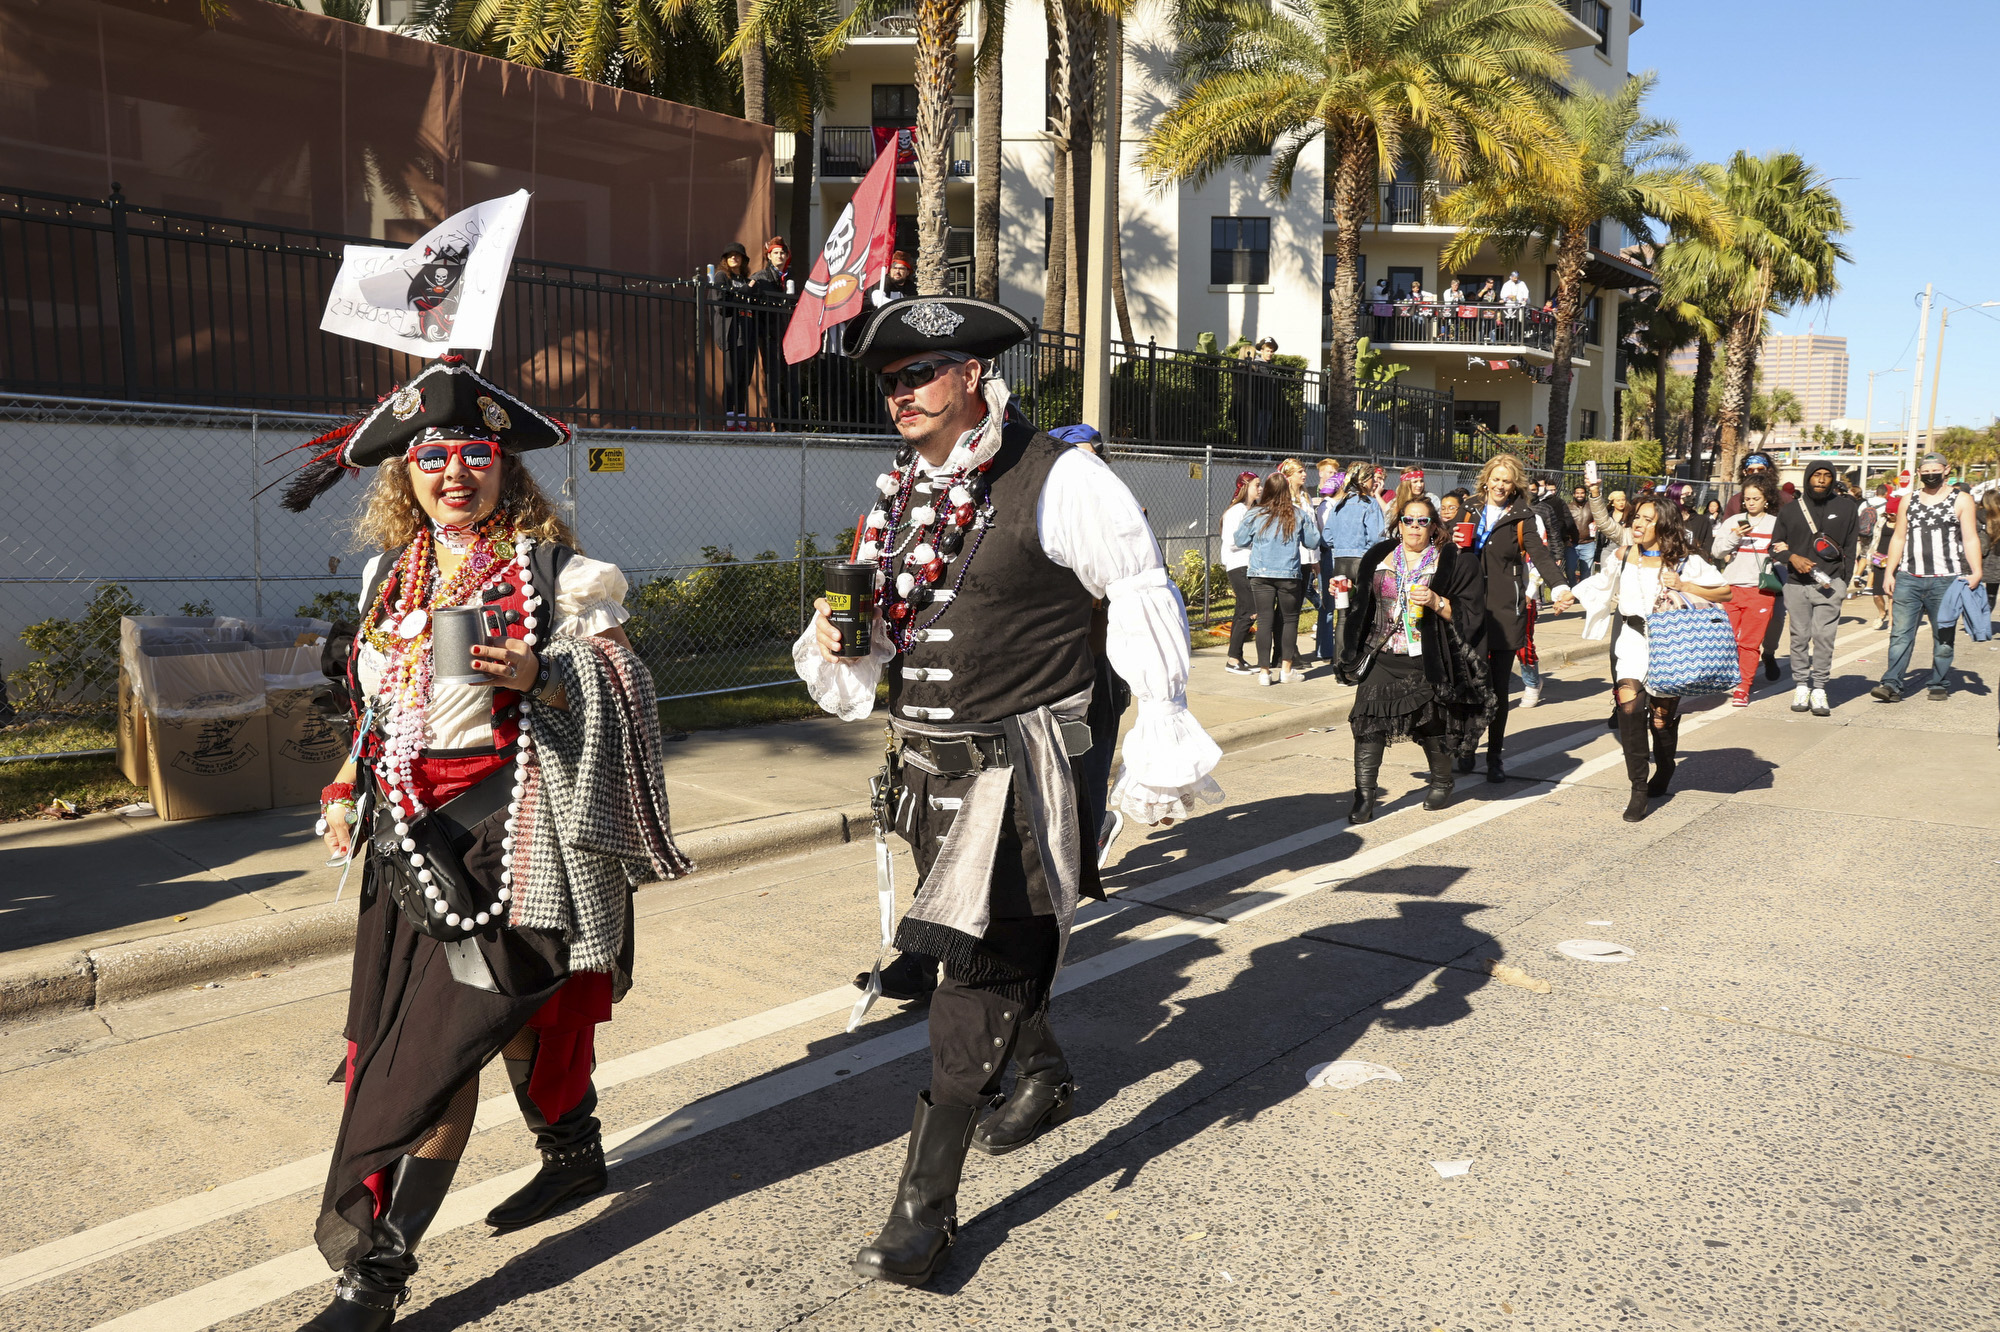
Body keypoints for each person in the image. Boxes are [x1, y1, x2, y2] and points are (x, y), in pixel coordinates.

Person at [796, 296, 1222, 1287]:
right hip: (924, 772)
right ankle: (1039, 1069)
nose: (901, 393)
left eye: (921, 372)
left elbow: (1137, 592)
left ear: (976, 374)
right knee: (976, 946)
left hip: (1020, 778)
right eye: (890, 379)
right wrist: (837, 646)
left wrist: (1157, 727)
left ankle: (920, 1212)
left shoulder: (1060, 477)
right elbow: (879, 621)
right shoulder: (897, 495)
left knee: (968, 984)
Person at [282, 358, 691, 1332]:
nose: (453, 470)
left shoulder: (566, 576)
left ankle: (372, 1282)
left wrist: (542, 679)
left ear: (506, 466)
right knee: (495, 1029)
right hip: (403, 856)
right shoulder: (392, 574)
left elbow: (632, 700)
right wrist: (345, 785)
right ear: (404, 475)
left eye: (474, 451)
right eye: (432, 455)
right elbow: (377, 709)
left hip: (509, 854)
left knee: (435, 1062)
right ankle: (572, 1147)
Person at [1337, 493, 1492, 822]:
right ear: (1399, 523)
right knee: (1366, 723)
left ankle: (1441, 781)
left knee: (1430, 724)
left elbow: (1469, 615)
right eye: (1409, 520)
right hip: (1381, 654)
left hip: (1424, 658)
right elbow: (1362, 604)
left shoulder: (1449, 561)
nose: (1415, 527)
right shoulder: (1380, 557)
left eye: (1423, 521)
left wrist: (1436, 600)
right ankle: (1364, 796)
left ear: (1434, 527)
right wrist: (1344, 593)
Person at [1580, 495, 1731, 821]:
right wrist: (1565, 593)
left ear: (1663, 525)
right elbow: (1598, 586)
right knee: (1630, 709)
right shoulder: (1622, 556)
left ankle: (1664, 766)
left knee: (1661, 719)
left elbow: (1724, 591)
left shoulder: (1685, 561)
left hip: (1669, 643)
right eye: (1637, 517)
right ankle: (1638, 789)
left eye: (1647, 519)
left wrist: (1684, 584)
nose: (1638, 523)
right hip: (1632, 641)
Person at [1457, 452, 1574, 781]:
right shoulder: (1470, 508)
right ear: (1486, 479)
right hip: (1468, 609)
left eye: (1506, 481)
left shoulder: (1523, 516)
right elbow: (1446, 550)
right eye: (1495, 478)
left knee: (1496, 688)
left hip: (1505, 610)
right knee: (1469, 683)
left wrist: (1561, 587)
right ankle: (1467, 744)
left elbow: (1540, 554)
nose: (1499, 485)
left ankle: (1494, 756)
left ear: (1514, 486)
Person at [1872, 452, 1985, 702]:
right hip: (1909, 577)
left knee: (1943, 634)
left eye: (1936, 469)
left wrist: (1977, 571)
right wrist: (1889, 572)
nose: (1930, 474)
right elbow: (1899, 537)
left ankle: (1940, 681)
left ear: (1947, 470)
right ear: (1919, 473)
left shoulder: (1962, 499)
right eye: (1925, 470)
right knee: (1900, 633)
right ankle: (1891, 683)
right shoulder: (1908, 500)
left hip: (1946, 579)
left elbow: (1970, 538)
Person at [1772, 459, 1862, 715]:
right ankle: (1802, 684)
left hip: (1830, 584)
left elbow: (1851, 547)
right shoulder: (1790, 511)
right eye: (1816, 475)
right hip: (1796, 584)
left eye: (1826, 475)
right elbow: (1774, 546)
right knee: (1799, 637)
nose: (1821, 480)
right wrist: (1792, 558)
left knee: (1824, 637)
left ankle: (1820, 687)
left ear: (1833, 479)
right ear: (1808, 478)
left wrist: (1844, 581)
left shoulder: (1846, 508)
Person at [1235, 467, 1322, 684]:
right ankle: (1287, 669)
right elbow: (1312, 541)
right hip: (1289, 574)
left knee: (1264, 620)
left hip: (1260, 572)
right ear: (1286, 491)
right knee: (1290, 620)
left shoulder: (1255, 513)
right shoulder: (1297, 513)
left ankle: (1264, 672)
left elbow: (1240, 540)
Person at [1711, 477, 1781, 707]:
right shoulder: (1733, 520)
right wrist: (1735, 536)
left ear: (1766, 500)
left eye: (1756, 499)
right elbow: (1717, 552)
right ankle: (1727, 677)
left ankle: (1743, 687)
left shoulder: (1776, 523)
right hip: (1731, 588)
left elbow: (1783, 552)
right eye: (1747, 499)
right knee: (1725, 639)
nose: (1750, 503)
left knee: (1750, 643)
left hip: (1760, 591)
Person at [1323, 462, 1385, 653]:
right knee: (1362, 614)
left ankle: (1339, 666)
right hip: (1362, 564)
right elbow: (1377, 537)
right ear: (1365, 480)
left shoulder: (1339, 504)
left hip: (1340, 565)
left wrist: (1342, 545)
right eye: (1372, 479)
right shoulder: (1370, 503)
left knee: (1342, 615)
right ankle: (1354, 660)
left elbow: (1327, 537)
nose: (1374, 483)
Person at [750, 236, 799, 425]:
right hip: (770, 334)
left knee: (792, 380)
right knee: (773, 380)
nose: (779, 256)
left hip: (790, 335)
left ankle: (794, 423)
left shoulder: (792, 277)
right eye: (775, 253)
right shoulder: (761, 277)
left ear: (787, 256)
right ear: (769, 256)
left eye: (782, 253)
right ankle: (778, 423)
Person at [713, 243, 758, 431]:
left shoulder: (744, 279)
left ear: (743, 260)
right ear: (725, 259)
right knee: (732, 379)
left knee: (743, 379)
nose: (734, 258)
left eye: (738, 256)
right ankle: (730, 421)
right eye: (730, 256)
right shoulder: (722, 277)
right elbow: (721, 305)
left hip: (748, 332)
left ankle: (741, 420)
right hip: (733, 333)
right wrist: (746, 292)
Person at [1221, 471, 1262, 673]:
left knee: (1241, 612)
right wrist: (1255, 540)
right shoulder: (1236, 511)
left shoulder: (1252, 509)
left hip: (1250, 564)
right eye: (1257, 485)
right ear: (1245, 487)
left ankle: (1236, 656)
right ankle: (1232, 659)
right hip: (1238, 565)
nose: (1260, 488)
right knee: (1251, 609)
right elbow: (1231, 540)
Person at [1566, 483, 1597, 583]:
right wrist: (1566, 539)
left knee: (1586, 572)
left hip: (1588, 544)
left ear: (1585, 494)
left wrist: (1596, 523)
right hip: (1572, 545)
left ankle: (1582, 594)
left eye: (1582, 493)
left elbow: (1599, 519)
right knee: (1570, 570)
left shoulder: (1592, 507)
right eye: (1577, 493)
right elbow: (1563, 525)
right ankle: (1573, 590)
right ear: (1574, 495)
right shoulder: (1568, 507)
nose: (1580, 495)